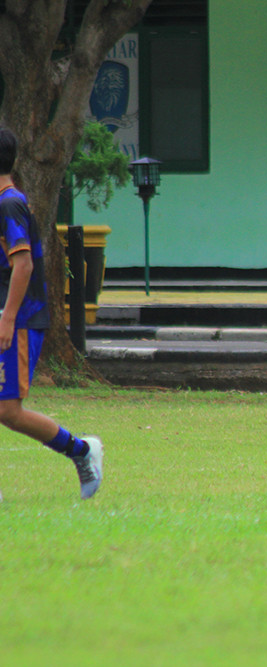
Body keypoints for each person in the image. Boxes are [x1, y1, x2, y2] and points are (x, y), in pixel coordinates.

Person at [0, 127, 103, 500]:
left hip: (20, 319)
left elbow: (23, 266)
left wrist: (8, 318)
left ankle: (82, 451)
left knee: (9, 411)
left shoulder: (9, 203)